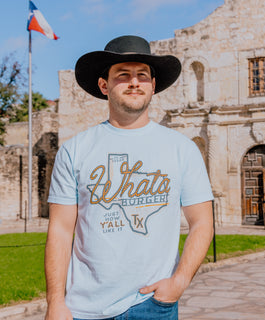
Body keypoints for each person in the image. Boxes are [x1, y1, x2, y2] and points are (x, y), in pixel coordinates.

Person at [45, 35, 214, 320]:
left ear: (153, 85)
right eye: (123, 75)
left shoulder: (181, 148)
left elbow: (202, 222)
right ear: (104, 85)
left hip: (152, 303)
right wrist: (55, 303)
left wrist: (178, 283)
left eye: (142, 75)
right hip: (84, 308)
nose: (134, 82)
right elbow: (60, 231)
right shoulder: (75, 150)